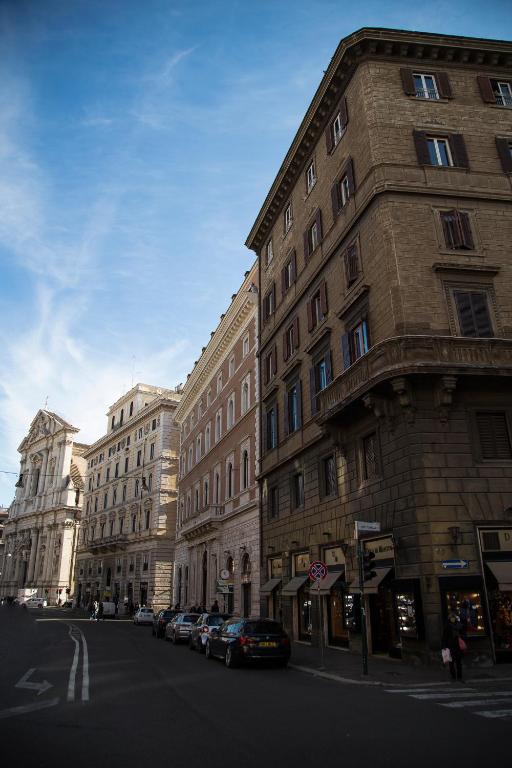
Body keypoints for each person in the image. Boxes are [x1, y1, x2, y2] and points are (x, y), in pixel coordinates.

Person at [442, 611, 465, 682]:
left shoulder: (459, 625)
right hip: (450, 646)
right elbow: (444, 637)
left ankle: (459, 676)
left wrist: (461, 637)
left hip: (458, 646)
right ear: (449, 618)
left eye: (453, 617)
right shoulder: (447, 626)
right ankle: (453, 676)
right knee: (451, 663)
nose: (452, 619)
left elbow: (464, 634)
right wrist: (444, 646)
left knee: (459, 662)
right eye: (451, 617)